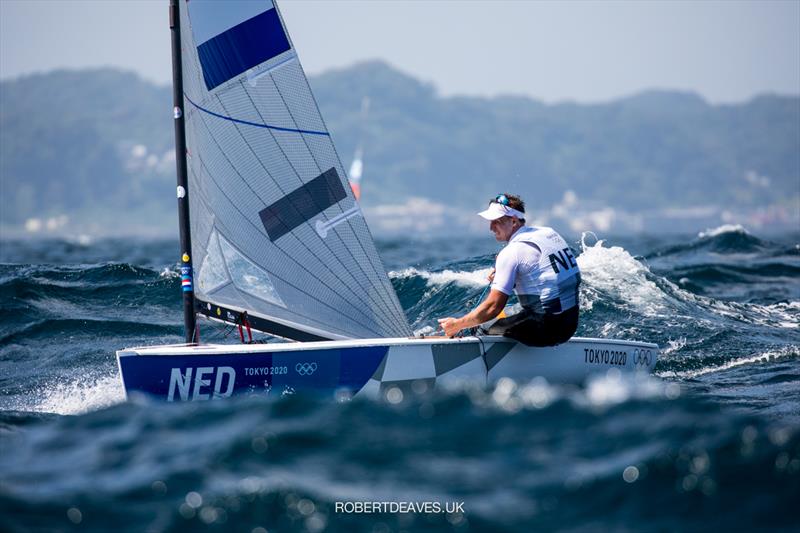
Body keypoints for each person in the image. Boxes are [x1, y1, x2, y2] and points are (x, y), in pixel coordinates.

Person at [437, 194, 581, 346]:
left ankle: (481, 365)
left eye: (497, 222)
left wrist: (458, 324)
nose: (491, 227)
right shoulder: (548, 233)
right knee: (507, 313)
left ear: (513, 221)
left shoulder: (512, 252)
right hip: (570, 322)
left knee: (481, 325)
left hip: (547, 330)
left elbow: (492, 307)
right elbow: (544, 275)